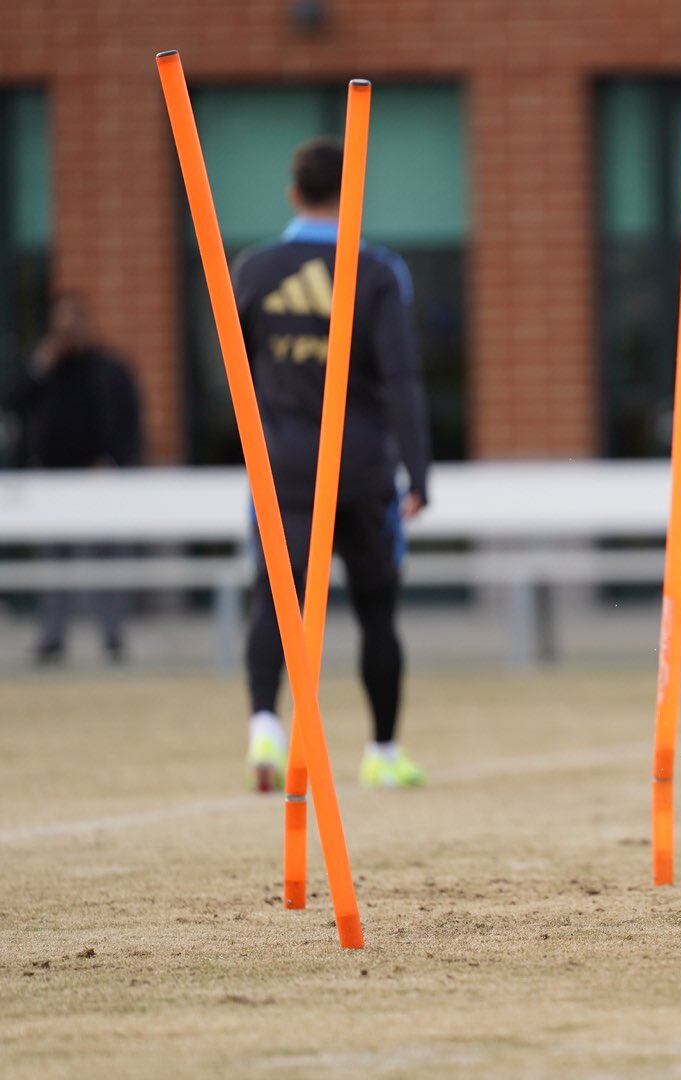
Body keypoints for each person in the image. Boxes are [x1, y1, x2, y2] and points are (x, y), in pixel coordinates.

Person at [232, 136, 431, 792]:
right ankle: (381, 750)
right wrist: (419, 472)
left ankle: (265, 720)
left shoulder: (254, 268)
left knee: (274, 601)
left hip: (280, 463)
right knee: (377, 610)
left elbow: (230, 369)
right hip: (360, 464)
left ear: (294, 193)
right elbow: (402, 378)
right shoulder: (375, 270)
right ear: (349, 197)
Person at [3, 293, 142, 663]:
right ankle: (53, 636)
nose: (68, 333)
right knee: (54, 561)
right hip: (52, 481)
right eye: (61, 326)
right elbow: (13, 400)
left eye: (73, 324)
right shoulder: (45, 368)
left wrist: (113, 460)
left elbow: (127, 420)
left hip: (98, 479)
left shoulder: (107, 368)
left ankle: (112, 636)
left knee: (106, 560)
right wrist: (40, 365)